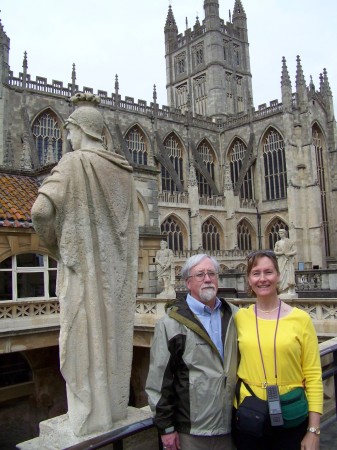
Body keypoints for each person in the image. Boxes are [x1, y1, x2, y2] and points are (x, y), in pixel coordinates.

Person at [31, 93, 138, 436]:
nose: (67, 138)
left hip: (82, 273)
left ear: (80, 129)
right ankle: (111, 410)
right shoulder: (123, 171)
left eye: (69, 131)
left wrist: (57, 249)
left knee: (81, 338)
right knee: (110, 336)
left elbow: (39, 212)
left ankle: (89, 414)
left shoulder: (72, 163)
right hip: (114, 277)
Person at [146, 254, 238, 450]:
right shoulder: (170, 323)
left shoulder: (235, 316)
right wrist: (166, 428)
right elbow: (160, 380)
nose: (207, 279)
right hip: (192, 432)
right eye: (200, 274)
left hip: (231, 427)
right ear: (188, 282)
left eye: (211, 273)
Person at [233, 250, 323, 450]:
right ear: (248, 279)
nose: (262, 279)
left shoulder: (301, 319)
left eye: (268, 272)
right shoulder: (239, 318)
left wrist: (313, 431)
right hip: (250, 415)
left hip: (292, 414)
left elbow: (314, 376)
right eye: (256, 273)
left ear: (279, 275)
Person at [274, 229, 297, 294]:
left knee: (288, 274)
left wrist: (289, 254)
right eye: (279, 233)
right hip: (281, 260)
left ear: (285, 233)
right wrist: (282, 253)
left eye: (281, 233)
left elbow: (295, 251)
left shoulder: (290, 242)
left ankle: (289, 288)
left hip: (288, 260)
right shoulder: (277, 243)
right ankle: (281, 290)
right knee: (281, 274)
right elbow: (275, 252)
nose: (280, 234)